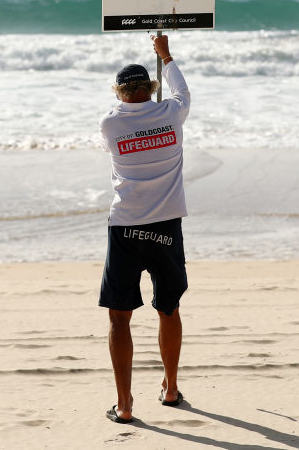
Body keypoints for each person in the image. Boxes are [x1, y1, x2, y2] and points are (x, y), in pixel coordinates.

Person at [98, 33, 190, 424]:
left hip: (127, 226)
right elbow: (182, 90)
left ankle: (124, 405)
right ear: (150, 89)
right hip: (166, 224)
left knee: (119, 317)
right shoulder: (172, 113)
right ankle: (170, 388)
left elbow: (121, 135)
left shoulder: (110, 123)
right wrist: (165, 55)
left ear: (120, 93)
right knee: (168, 308)